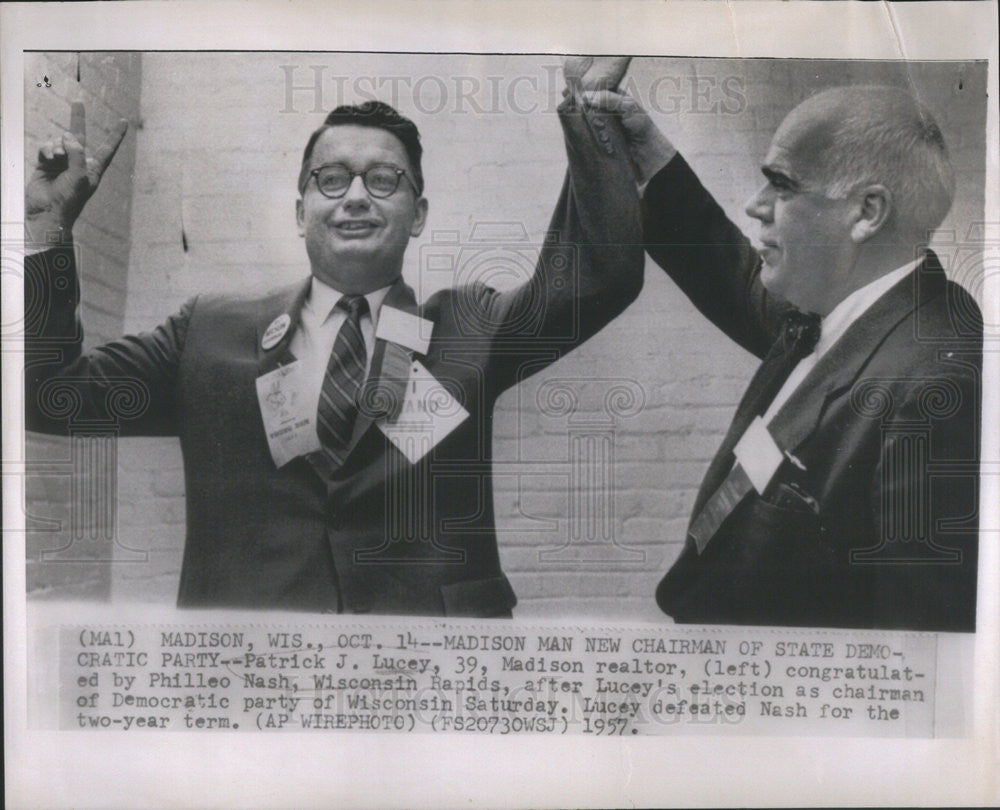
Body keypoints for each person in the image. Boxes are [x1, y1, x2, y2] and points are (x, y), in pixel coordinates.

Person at [23, 65, 643, 616]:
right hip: (251, 678)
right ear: (300, 212)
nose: (354, 197)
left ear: (418, 214)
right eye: (331, 179)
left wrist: (589, 108)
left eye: (382, 180)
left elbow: (599, 276)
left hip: (430, 681)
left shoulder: (467, 330)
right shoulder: (208, 333)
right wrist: (50, 226)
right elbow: (50, 396)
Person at [583, 67, 981, 630]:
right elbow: (738, 281)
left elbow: (919, 652)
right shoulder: (849, 307)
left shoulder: (941, 386)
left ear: (867, 212)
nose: (755, 204)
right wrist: (650, 156)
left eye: (783, 185)